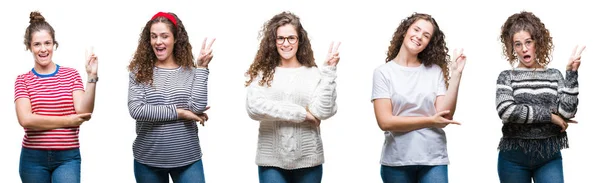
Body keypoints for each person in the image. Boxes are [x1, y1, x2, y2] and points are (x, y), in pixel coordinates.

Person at [245, 11, 340, 183]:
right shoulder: (262, 73)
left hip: (309, 159)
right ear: (273, 42)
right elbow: (254, 108)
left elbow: (323, 111)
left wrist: (329, 72)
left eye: (291, 38)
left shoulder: (313, 73)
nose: (285, 43)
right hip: (271, 161)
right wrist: (302, 114)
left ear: (299, 40)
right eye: (280, 38)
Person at [371, 12, 466, 183]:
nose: (419, 37)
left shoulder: (434, 71)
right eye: (416, 29)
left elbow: (444, 116)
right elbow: (385, 122)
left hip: (433, 160)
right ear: (406, 30)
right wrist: (430, 121)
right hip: (396, 161)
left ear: (429, 43)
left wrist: (456, 75)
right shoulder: (383, 73)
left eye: (426, 35)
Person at [495, 11, 584, 183]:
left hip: (549, 156)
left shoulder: (554, 75)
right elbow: (507, 111)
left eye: (528, 42)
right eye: (518, 44)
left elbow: (566, 112)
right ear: (512, 48)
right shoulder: (507, 77)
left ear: (538, 41)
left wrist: (571, 75)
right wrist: (550, 116)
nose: (524, 49)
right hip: (513, 158)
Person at [127, 11, 214, 183]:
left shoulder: (190, 71)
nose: (158, 42)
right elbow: (137, 110)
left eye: (164, 36)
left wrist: (202, 68)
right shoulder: (139, 71)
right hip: (148, 160)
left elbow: (196, 107)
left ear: (175, 39)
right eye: (153, 36)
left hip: (187, 158)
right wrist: (180, 113)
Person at [15, 11, 99, 183]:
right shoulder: (22, 80)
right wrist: (68, 121)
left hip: (67, 157)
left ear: (54, 44)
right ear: (29, 47)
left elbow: (83, 111)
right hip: (33, 159)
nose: (43, 49)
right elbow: (26, 120)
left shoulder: (71, 75)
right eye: (37, 44)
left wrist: (91, 77)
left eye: (47, 43)